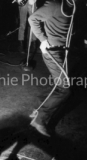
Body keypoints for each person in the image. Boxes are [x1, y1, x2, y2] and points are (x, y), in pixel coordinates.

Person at [28, 0, 74, 136]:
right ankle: (39, 119)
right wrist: (42, 39)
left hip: (61, 50)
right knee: (64, 89)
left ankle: (38, 109)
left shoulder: (72, 6)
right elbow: (32, 19)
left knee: (59, 85)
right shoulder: (55, 5)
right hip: (52, 52)